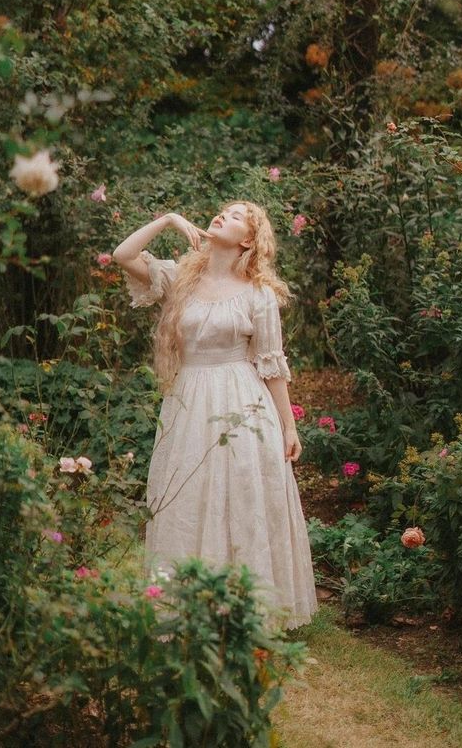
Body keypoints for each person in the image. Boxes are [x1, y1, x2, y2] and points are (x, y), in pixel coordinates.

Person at [112, 201, 318, 630]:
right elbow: (123, 256)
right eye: (222, 210)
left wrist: (289, 424)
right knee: (189, 497)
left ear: (248, 239)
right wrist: (168, 219)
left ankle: (248, 608)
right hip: (188, 400)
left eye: (237, 215)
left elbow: (270, 362)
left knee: (243, 500)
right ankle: (191, 606)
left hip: (244, 404)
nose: (223, 215)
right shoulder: (180, 279)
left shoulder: (258, 294)